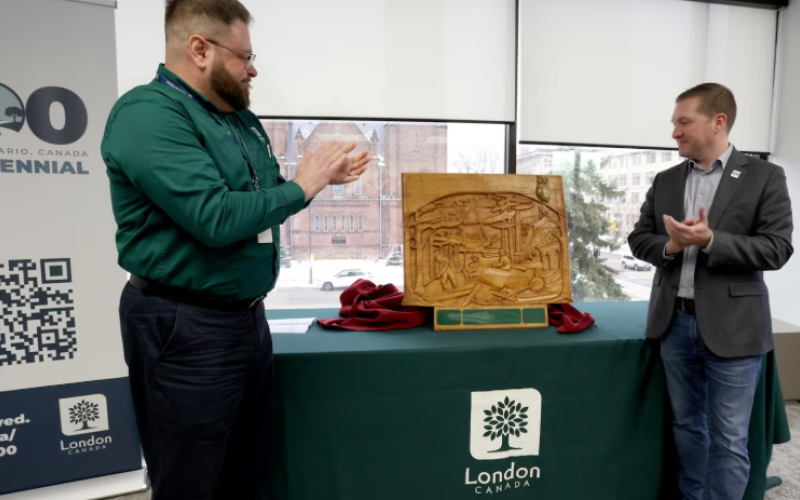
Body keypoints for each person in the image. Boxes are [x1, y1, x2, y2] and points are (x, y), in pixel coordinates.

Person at [100, 0, 369, 498]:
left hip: (245, 319)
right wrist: (303, 186)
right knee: (191, 480)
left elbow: (261, 202)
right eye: (243, 57)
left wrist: (319, 180)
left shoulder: (237, 120)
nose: (253, 68)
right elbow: (218, 218)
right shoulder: (148, 116)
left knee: (251, 471)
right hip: (183, 324)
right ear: (199, 49)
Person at [628, 83, 793, 500]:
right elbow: (638, 238)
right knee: (687, 427)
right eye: (674, 123)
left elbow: (777, 248)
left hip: (735, 330)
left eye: (684, 122)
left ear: (718, 122)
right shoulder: (665, 179)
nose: (675, 133)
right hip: (674, 325)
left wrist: (710, 240)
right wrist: (671, 245)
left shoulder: (765, 176)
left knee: (729, 440)